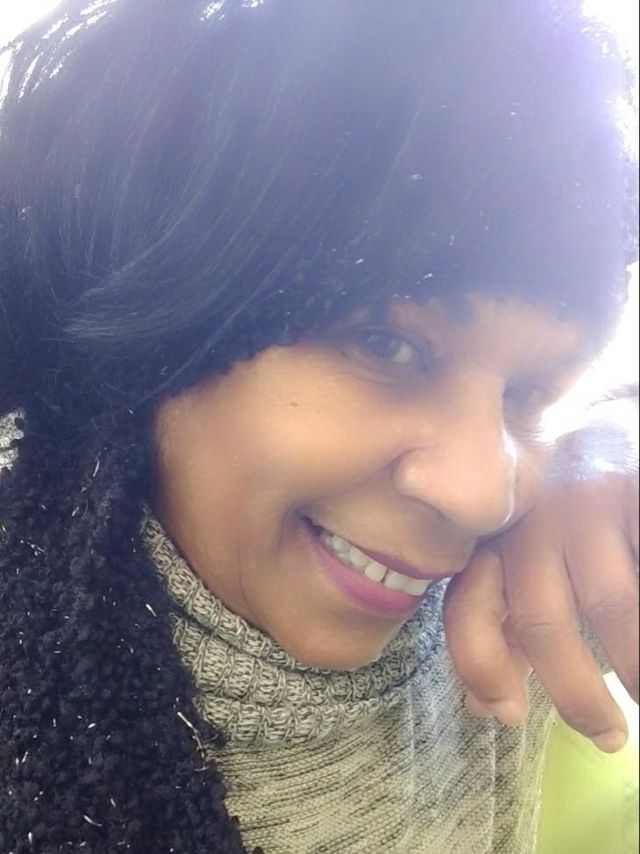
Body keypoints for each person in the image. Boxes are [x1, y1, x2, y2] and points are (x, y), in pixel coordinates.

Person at [0, 1, 637, 852]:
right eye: (387, 345)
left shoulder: (524, 603)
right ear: (172, 324)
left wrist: (610, 442)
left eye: (526, 394)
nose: (483, 495)